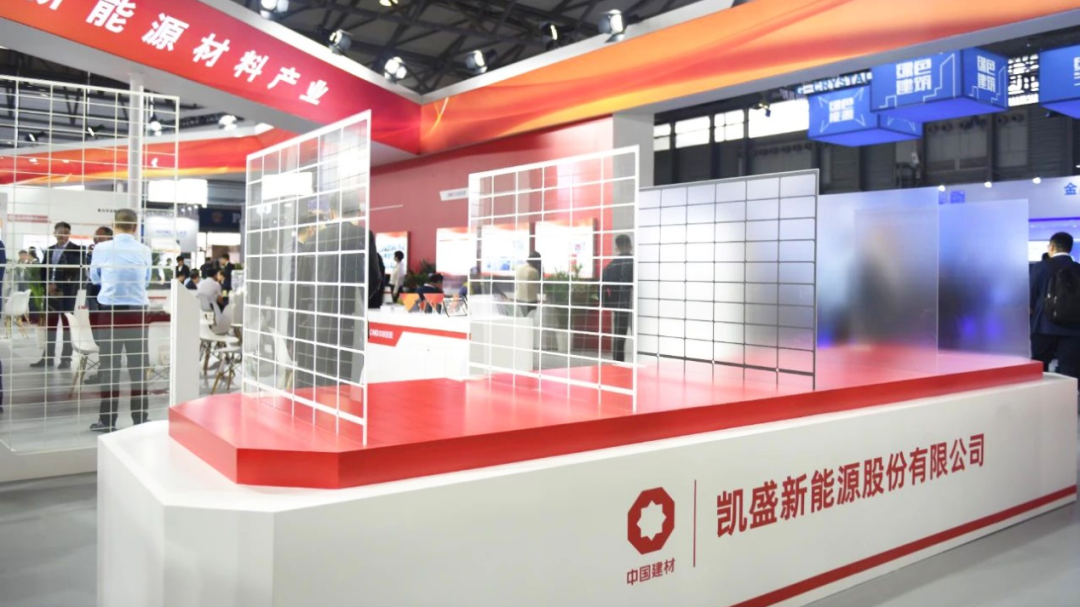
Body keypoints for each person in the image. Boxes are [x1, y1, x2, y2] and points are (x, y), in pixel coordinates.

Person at [88, 208, 153, 432]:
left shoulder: (101, 248)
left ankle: (107, 421)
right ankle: (140, 418)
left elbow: (94, 278)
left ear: (114, 225)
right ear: (135, 227)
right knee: (138, 368)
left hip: (110, 314)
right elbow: (146, 281)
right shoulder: (144, 250)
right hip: (137, 314)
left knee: (109, 368)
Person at [33, 221, 84, 370]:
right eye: (59, 232)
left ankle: (66, 359)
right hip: (50, 294)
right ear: (54, 233)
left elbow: (75, 272)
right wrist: (46, 285)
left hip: (67, 294)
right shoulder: (49, 250)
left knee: (67, 327)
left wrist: (58, 286)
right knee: (50, 326)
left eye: (65, 232)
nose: (62, 235)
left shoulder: (77, 250)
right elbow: (43, 271)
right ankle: (47, 358)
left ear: (69, 234)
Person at [1030, 232, 1080, 382]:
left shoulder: (1040, 267)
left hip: (1044, 326)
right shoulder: (1078, 268)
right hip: (1074, 327)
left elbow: (1030, 295)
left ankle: (1041, 395)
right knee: (1070, 369)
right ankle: (1070, 396)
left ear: (1052, 247)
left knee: (1040, 367)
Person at [602, 234, 634, 363]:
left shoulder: (611, 266)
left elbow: (602, 286)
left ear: (617, 248)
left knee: (619, 337)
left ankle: (618, 364)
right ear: (630, 246)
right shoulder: (636, 263)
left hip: (618, 305)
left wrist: (608, 303)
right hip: (635, 304)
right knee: (640, 334)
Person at [86, 227, 113, 311]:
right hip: (93, 293)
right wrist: (90, 255)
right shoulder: (94, 252)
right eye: (95, 235)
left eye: (98, 236)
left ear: (109, 237)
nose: (95, 238)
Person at [514, 251, 542, 317]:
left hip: (519, 299)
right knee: (530, 320)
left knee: (521, 319)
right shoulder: (534, 271)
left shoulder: (519, 269)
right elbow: (538, 285)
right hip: (531, 300)